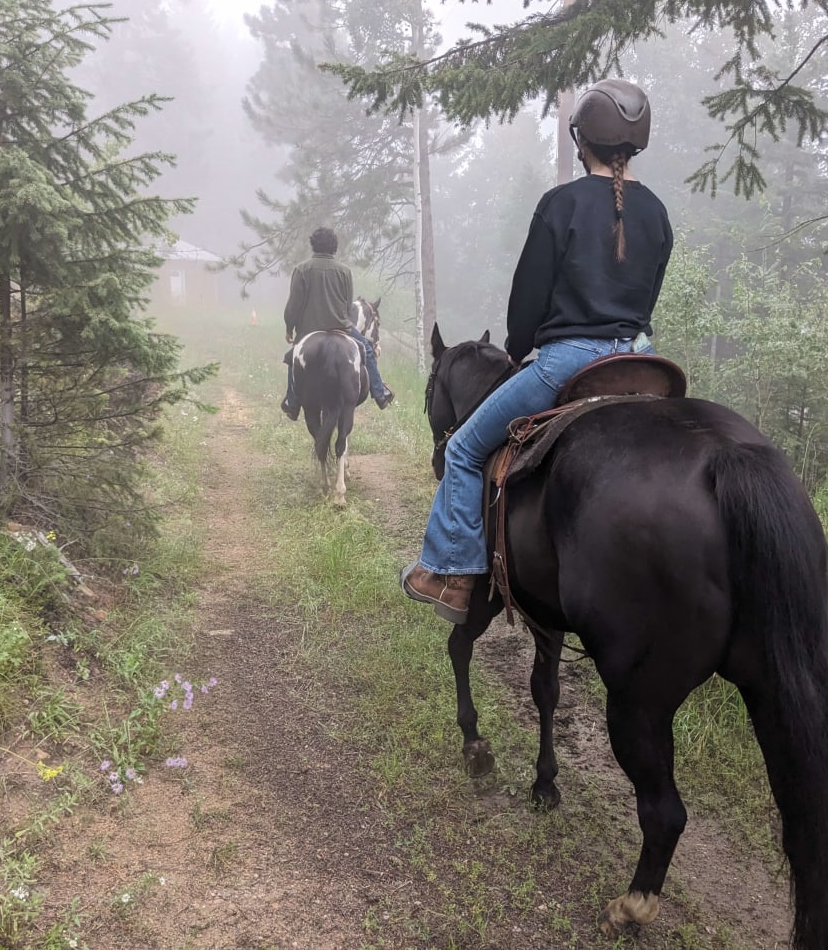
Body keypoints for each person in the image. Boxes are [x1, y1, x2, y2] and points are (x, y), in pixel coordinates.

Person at [401, 78, 673, 624]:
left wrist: (517, 349)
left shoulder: (561, 204)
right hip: (642, 363)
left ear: (583, 141)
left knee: (463, 450)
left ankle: (451, 575)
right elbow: (647, 297)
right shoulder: (658, 214)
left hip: (570, 361)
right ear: (634, 144)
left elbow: (526, 305)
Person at [281, 227, 394, 419]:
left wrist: (289, 327)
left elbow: (294, 305)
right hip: (341, 326)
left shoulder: (301, 270)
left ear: (313, 245)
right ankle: (379, 393)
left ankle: (292, 403)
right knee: (366, 348)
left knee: (293, 357)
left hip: (309, 327)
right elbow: (347, 303)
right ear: (334, 247)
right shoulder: (345, 271)